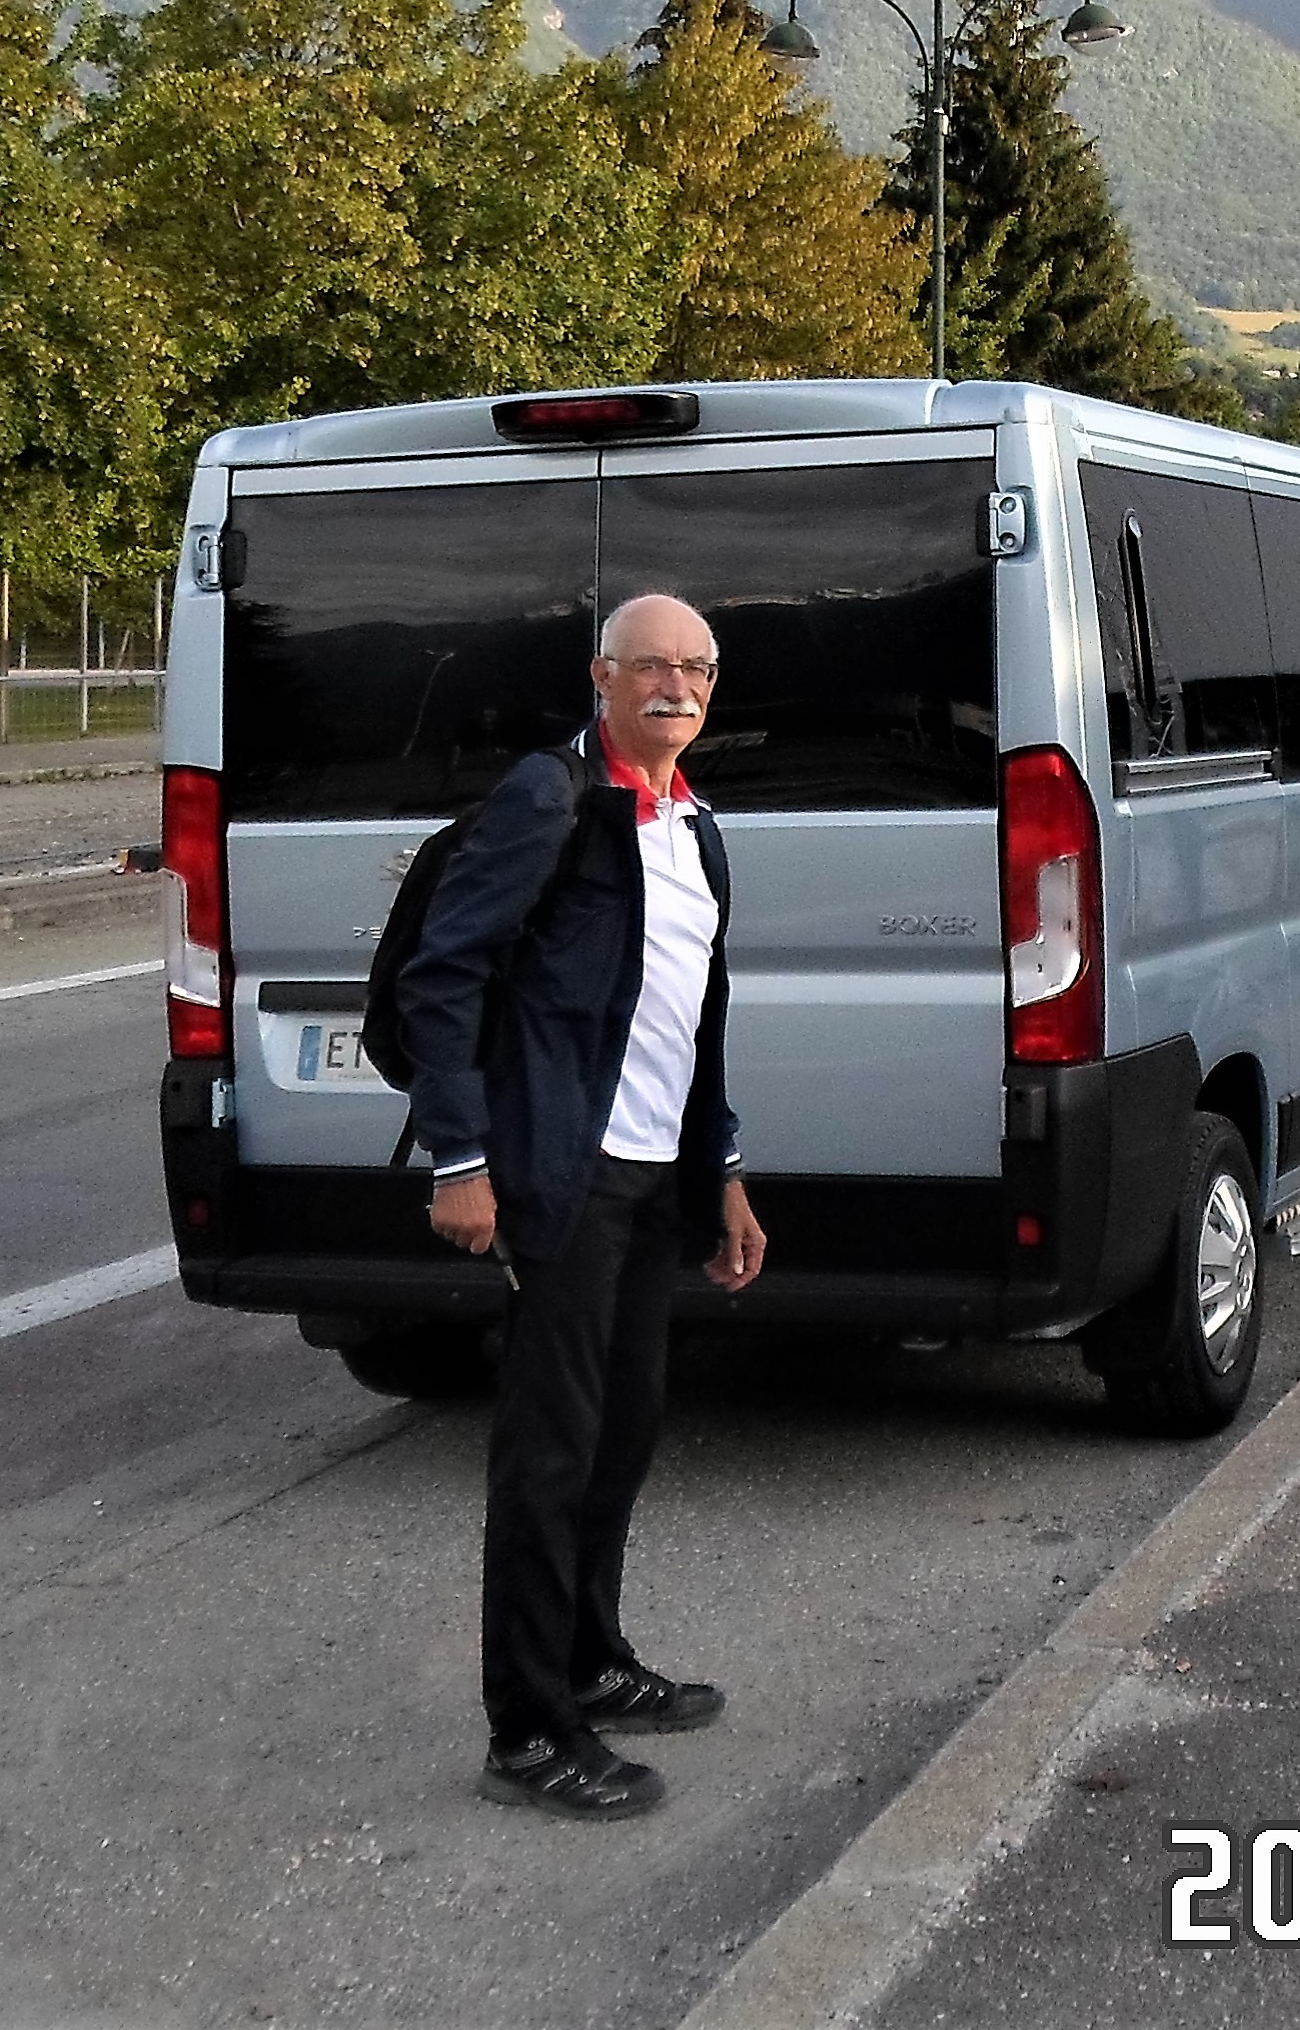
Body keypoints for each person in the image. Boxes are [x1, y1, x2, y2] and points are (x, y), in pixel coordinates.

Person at [401, 592, 768, 1820]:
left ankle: (590, 1660)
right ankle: (528, 1727)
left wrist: (718, 1168)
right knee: (549, 1451)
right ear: (601, 676)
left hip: (653, 1173)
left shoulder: (696, 823)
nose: (676, 686)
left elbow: (691, 1021)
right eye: (652, 666)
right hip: (558, 1167)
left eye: (697, 668)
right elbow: (443, 971)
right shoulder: (548, 798)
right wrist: (460, 1155)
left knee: (624, 1427)